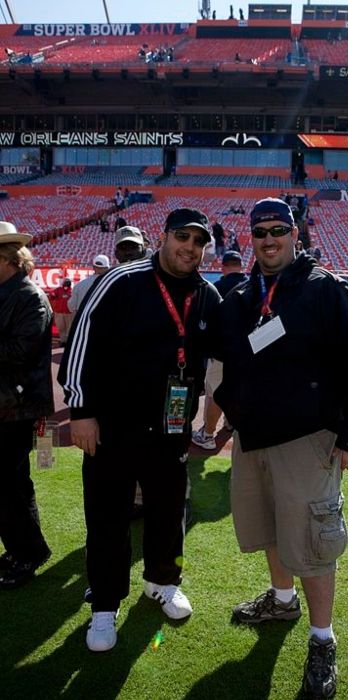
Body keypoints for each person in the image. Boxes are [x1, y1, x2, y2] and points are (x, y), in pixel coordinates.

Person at [212, 198, 348, 698]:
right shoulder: (244, 294)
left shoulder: (325, 289)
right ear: (251, 238)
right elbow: (233, 359)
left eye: (278, 230)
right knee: (269, 528)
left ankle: (322, 639)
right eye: (260, 232)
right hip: (253, 440)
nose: (269, 239)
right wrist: (225, 416)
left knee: (311, 539)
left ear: (295, 233)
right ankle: (282, 601)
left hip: (308, 440)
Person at [58, 208, 220, 652]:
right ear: (164, 237)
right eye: (182, 237)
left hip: (170, 429)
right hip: (112, 426)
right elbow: (80, 345)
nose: (190, 247)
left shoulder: (206, 295)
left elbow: (233, 346)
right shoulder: (122, 281)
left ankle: (162, 582)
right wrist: (82, 410)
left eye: (199, 242)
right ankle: (105, 606)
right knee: (108, 517)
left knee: (169, 513)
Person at [0, 222, 53, 589]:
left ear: (6, 259)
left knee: (10, 485)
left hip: (16, 407)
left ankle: (28, 552)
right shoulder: (10, 292)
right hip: (7, 404)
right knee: (8, 484)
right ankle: (22, 549)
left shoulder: (29, 296)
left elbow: (21, 351)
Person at [192, 251, 248, 450]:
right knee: (238, 391)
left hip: (222, 352)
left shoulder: (216, 288)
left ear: (223, 267)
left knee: (215, 393)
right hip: (246, 353)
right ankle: (230, 422)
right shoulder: (251, 286)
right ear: (241, 265)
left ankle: (207, 434)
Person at [49, 278, 73, 346]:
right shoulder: (58, 290)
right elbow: (52, 294)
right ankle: (63, 341)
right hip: (59, 312)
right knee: (61, 327)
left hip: (69, 312)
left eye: (67, 284)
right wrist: (52, 295)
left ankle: (68, 341)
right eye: (65, 284)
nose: (65, 286)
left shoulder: (73, 291)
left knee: (69, 327)